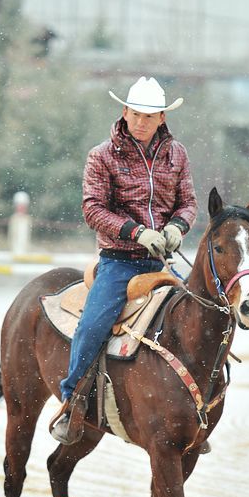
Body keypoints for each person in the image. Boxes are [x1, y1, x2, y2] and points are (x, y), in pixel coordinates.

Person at [50, 76, 197, 444]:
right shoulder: (102, 156)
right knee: (93, 325)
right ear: (124, 112)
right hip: (120, 262)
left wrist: (178, 226)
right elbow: (93, 209)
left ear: (162, 117)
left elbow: (188, 202)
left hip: (163, 261)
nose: (141, 122)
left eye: (149, 115)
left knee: (204, 318)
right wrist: (136, 232)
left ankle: (197, 407)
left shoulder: (176, 154)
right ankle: (71, 401)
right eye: (135, 113)